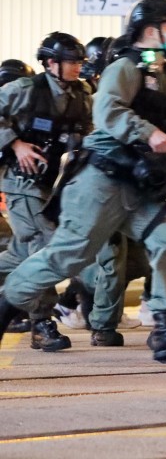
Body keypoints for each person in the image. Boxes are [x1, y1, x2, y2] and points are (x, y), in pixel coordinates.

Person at [0, 0, 166, 363]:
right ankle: (8, 303)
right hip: (101, 181)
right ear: (151, 31)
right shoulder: (125, 66)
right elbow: (109, 110)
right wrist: (148, 133)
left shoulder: (159, 72)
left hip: (138, 183)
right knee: (67, 256)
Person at [0, 33, 91, 351]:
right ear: (51, 63)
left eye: (80, 62)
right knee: (43, 247)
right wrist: (15, 143)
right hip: (21, 184)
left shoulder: (83, 94)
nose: (78, 67)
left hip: (55, 186)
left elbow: (90, 133)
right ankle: (41, 323)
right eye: (72, 62)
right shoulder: (25, 89)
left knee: (21, 254)